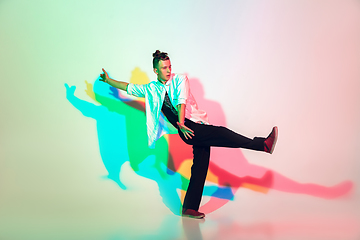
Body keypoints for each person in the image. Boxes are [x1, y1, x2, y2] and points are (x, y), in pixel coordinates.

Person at [99, 50, 278, 219]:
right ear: (155, 70)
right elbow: (129, 87)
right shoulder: (151, 89)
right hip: (187, 128)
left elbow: (181, 102)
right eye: (164, 68)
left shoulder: (180, 80)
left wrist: (182, 122)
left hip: (193, 124)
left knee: (200, 165)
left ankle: (189, 207)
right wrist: (108, 81)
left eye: (169, 66)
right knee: (222, 134)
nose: (168, 70)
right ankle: (262, 144)